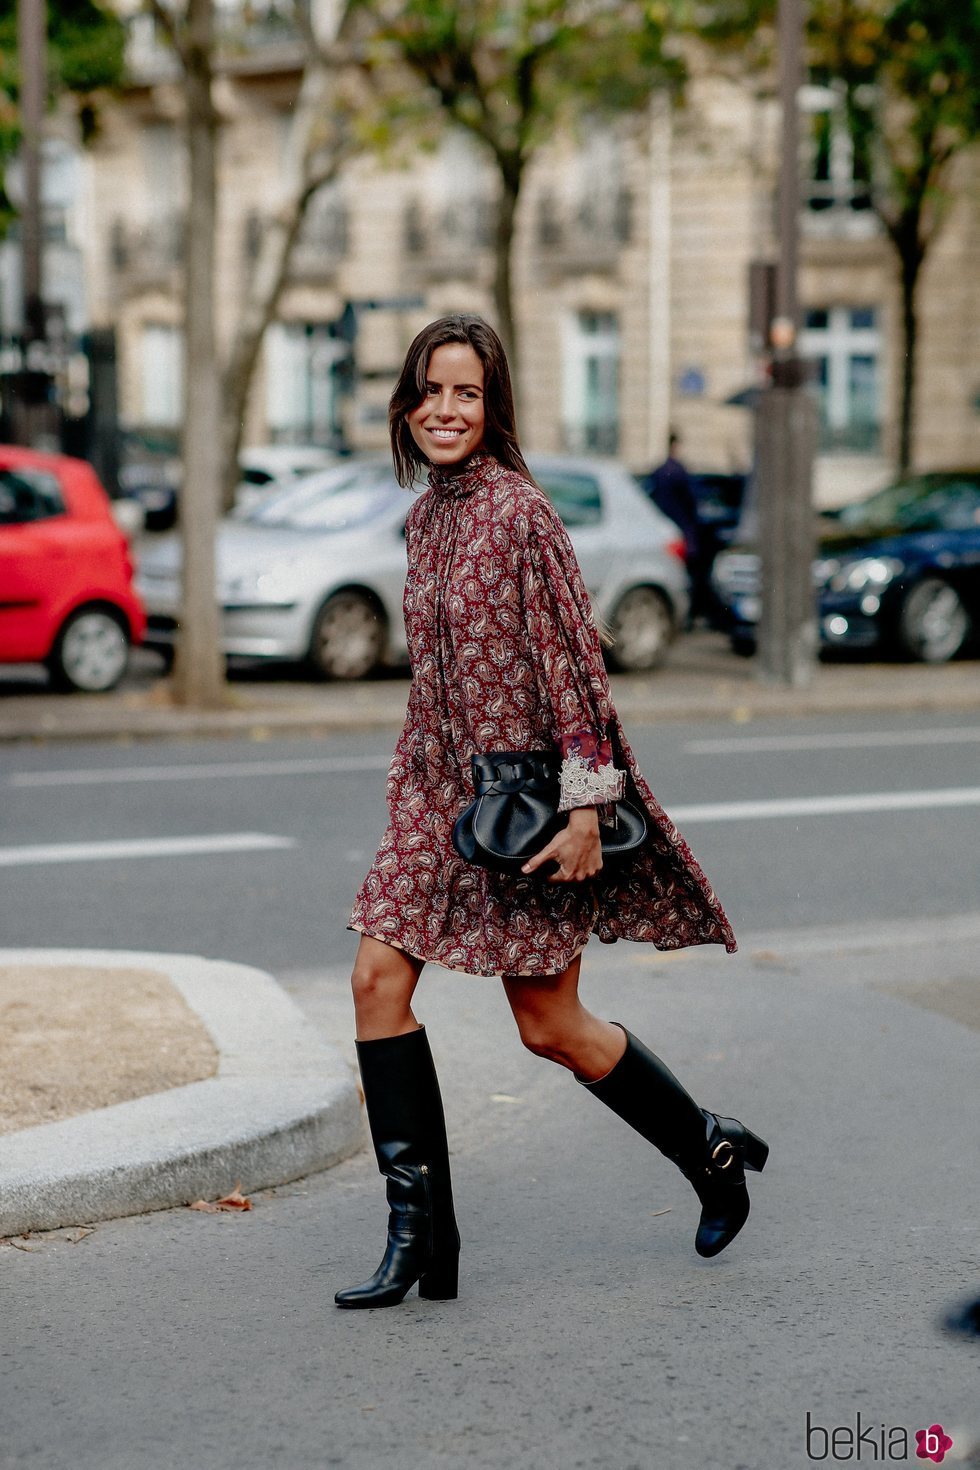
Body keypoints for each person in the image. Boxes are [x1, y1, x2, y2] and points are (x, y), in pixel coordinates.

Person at [337, 315, 767, 1310]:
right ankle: (420, 1235)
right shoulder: (425, 518)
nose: (446, 410)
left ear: (493, 410)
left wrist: (584, 811)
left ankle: (705, 1149)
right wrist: (409, 782)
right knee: (373, 981)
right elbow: (430, 675)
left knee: (547, 1025)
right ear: (406, 406)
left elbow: (574, 666)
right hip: (437, 802)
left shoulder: (519, 513)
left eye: (467, 393)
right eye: (430, 392)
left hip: (526, 802)